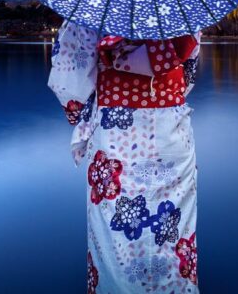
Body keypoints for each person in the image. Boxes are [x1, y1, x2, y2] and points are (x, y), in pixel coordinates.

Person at [49, 21, 200, 293]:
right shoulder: (180, 6)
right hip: (171, 135)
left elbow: (69, 81)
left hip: (116, 138)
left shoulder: (94, 6)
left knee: (115, 243)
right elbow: (187, 73)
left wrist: (85, 112)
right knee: (171, 235)